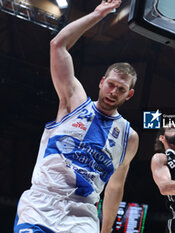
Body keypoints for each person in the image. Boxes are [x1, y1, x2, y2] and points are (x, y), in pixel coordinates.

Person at [14, 1, 139, 232]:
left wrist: (107, 229)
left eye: (121, 89)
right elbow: (58, 45)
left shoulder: (128, 137)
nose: (113, 92)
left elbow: (115, 186)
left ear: (129, 94)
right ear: (102, 82)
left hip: (82, 215)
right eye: (111, 84)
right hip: (42, 203)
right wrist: (98, 14)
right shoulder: (75, 101)